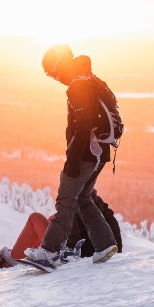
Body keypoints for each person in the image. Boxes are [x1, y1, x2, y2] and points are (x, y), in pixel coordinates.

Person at [23, 44, 119, 269]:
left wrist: (73, 160)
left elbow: (83, 126)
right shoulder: (91, 79)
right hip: (101, 151)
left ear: (59, 65)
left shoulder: (78, 85)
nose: (53, 78)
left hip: (85, 153)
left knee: (66, 201)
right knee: (84, 199)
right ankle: (105, 244)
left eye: (52, 72)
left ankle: (49, 252)